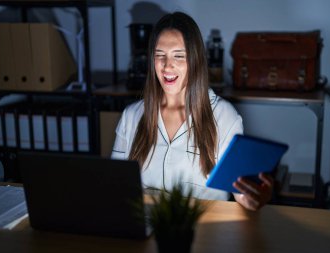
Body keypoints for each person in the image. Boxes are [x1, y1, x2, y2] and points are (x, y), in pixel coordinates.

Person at [112, 11, 273, 211]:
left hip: (202, 232)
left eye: (178, 56)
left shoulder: (224, 116)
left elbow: (241, 192)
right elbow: (116, 186)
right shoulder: (131, 116)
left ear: (195, 60)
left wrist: (253, 198)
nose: (167, 65)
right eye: (159, 55)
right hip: (145, 229)